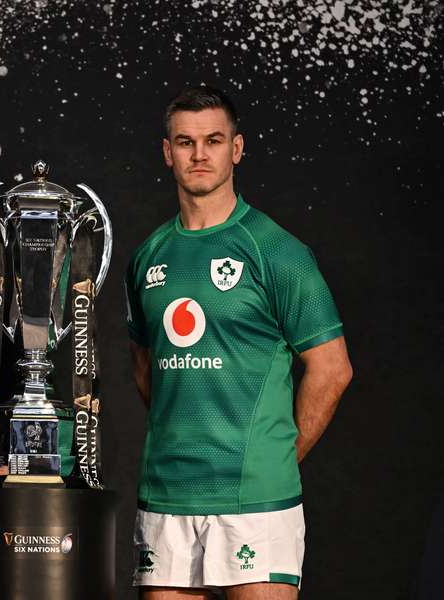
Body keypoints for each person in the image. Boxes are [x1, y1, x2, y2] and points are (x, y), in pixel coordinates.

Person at [126, 85, 352, 599]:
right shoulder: (147, 257)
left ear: (237, 148)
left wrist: (276, 458)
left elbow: (333, 368)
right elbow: (145, 363)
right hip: (167, 496)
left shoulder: (276, 251)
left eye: (213, 140)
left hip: (257, 503)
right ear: (167, 152)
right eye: (185, 142)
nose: (199, 154)